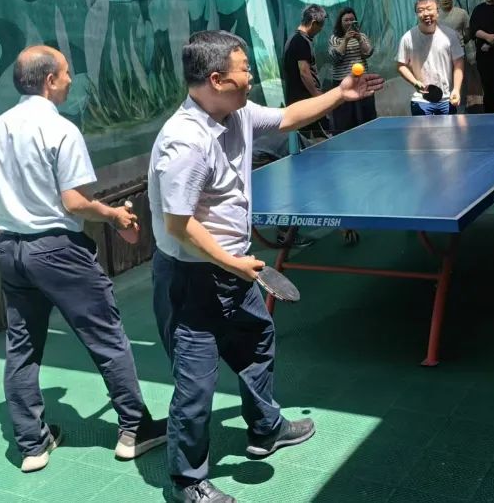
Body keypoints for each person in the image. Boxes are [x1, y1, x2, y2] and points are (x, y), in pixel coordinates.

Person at [148, 31, 384, 503]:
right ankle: (188, 483)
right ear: (217, 79)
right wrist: (232, 263)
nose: (251, 76)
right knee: (195, 386)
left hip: (236, 269)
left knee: (258, 341)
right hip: (193, 278)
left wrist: (341, 94)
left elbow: (288, 117)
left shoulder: (235, 112)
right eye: (244, 69)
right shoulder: (185, 143)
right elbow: (179, 224)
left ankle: (266, 427)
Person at [0, 46, 166, 473]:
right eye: (66, 73)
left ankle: (32, 444)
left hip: (11, 249)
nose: (69, 79)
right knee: (107, 338)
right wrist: (115, 216)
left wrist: (18, 227)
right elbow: (74, 201)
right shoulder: (61, 130)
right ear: (49, 81)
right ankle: (135, 429)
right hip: (58, 251)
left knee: (22, 348)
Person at [398, 0, 464, 115]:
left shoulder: (450, 35)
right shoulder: (407, 38)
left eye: (429, 9)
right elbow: (401, 65)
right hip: (420, 99)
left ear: (437, 12)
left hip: (447, 98)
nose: (425, 13)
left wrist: (456, 89)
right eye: (420, 10)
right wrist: (414, 82)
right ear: (416, 14)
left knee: (450, 128)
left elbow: (458, 63)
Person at [326, 7, 376, 133]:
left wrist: (359, 39)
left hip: (362, 81)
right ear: (340, 22)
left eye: (352, 20)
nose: (349, 23)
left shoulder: (362, 36)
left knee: (366, 117)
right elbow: (335, 57)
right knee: (345, 119)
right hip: (342, 82)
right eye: (346, 20)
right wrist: (346, 40)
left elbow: (368, 52)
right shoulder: (334, 38)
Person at [282, 5, 329, 137]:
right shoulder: (301, 41)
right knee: (319, 138)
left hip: (298, 102)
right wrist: (316, 95)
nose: (320, 30)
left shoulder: (293, 38)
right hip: (306, 102)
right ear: (314, 23)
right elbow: (304, 71)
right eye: (320, 26)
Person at [437, 0, 477, 110]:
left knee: (460, 83)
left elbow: (469, 31)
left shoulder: (461, 13)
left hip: (458, 53)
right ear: (438, 0)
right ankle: (445, 109)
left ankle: (461, 110)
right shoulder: (435, 14)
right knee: (442, 81)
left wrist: (461, 42)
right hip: (439, 54)